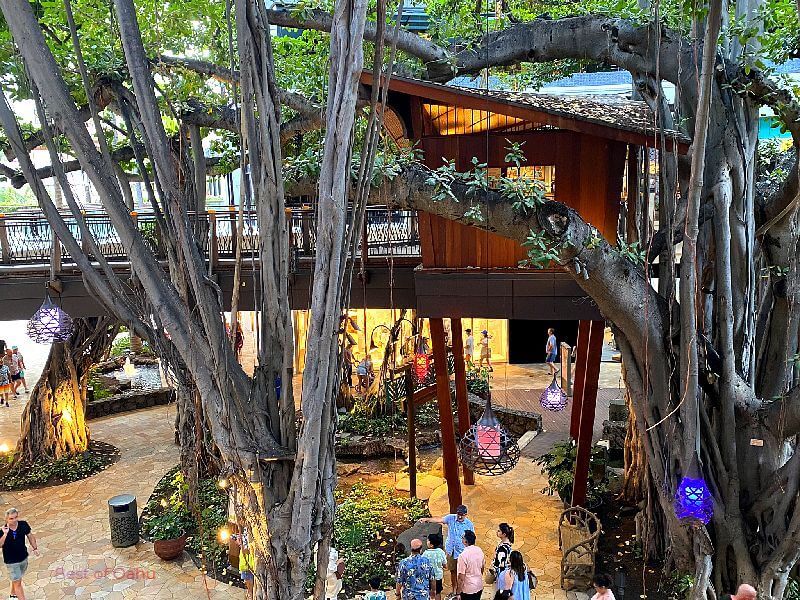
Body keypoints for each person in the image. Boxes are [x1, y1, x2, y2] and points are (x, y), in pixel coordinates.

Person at [418, 505, 474, 591]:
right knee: (453, 570)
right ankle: (454, 589)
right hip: (451, 551)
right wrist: (426, 519)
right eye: (458, 514)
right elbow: (439, 520)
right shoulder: (451, 518)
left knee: (463, 572)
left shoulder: (469, 524)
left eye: (462, 515)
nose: (459, 516)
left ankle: (462, 589)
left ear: (466, 514)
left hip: (462, 552)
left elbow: (471, 539)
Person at [1, 508, 38, 600]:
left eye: (15, 517)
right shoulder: (2, 530)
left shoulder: (23, 525)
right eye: (11, 519)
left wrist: (35, 548)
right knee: (18, 583)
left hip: (23, 558)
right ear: (6, 519)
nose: (14, 520)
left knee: (18, 579)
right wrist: (5, 534)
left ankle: (12, 595)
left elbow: (30, 536)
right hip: (11, 562)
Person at [455, 530, 484, 600]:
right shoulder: (479, 550)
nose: (461, 539)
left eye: (462, 538)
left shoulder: (463, 556)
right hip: (479, 586)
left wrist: (458, 592)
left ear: (465, 541)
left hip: (468, 590)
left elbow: (461, 577)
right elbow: (482, 568)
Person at [423, 533, 447, 600]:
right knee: (438, 592)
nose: (426, 542)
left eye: (428, 540)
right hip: (438, 577)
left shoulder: (425, 554)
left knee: (430, 592)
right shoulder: (441, 552)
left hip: (429, 578)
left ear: (431, 544)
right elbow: (445, 565)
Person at [236, 529, 254, 600]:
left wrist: (241, 544)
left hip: (250, 557)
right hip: (246, 558)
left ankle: (251, 593)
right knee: (246, 578)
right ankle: (250, 592)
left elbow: (247, 549)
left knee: (249, 579)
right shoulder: (245, 528)